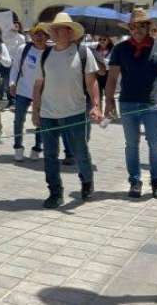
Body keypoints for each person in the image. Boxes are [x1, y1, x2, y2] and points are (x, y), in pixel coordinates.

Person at [32, 12, 102, 209]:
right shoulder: (45, 54)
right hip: (48, 114)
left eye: (59, 28)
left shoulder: (82, 52)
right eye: (53, 29)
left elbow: (92, 82)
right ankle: (55, 192)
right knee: (50, 155)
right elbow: (38, 85)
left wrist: (96, 105)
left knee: (80, 151)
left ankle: (87, 183)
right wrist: (36, 111)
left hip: (75, 112)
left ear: (69, 32)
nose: (54, 32)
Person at [105, 8, 157, 198]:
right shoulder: (120, 49)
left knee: (155, 143)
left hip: (153, 103)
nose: (136, 30)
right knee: (131, 144)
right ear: (129, 28)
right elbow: (112, 77)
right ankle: (135, 181)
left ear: (148, 27)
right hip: (128, 103)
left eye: (141, 26)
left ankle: (156, 182)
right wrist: (109, 101)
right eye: (133, 26)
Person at [9, 23, 49, 161]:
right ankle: (18, 147)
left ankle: (37, 147)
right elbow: (15, 67)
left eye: (42, 34)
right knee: (18, 120)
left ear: (47, 36)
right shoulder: (23, 48)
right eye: (36, 33)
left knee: (40, 121)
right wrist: (12, 83)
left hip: (43, 92)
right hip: (23, 90)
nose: (39, 36)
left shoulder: (50, 51)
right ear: (31, 35)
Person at [95, 35, 114, 110]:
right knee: (98, 95)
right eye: (100, 39)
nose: (102, 41)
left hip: (109, 73)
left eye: (104, 39)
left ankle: (112, 112)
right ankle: (99, 112)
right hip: (98, 74)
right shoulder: (95, 49)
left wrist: (104, 61)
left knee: (109, 95)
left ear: (108, 40)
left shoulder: (113, 49)